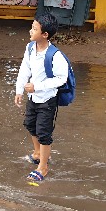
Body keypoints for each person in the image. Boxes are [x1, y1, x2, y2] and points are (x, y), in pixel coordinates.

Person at [14, 12, 68, 182]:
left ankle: (43, 167)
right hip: (33, 98)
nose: (30, 31)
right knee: (30, 124)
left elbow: (61, 79)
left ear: (45, 35)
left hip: (47, 99)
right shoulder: (30, 48)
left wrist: (36, 87)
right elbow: (25, 69)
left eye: (34, 28)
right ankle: (37, 153)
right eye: (32, 27)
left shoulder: (55, 55)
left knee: (44, 133)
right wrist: (19, 90)